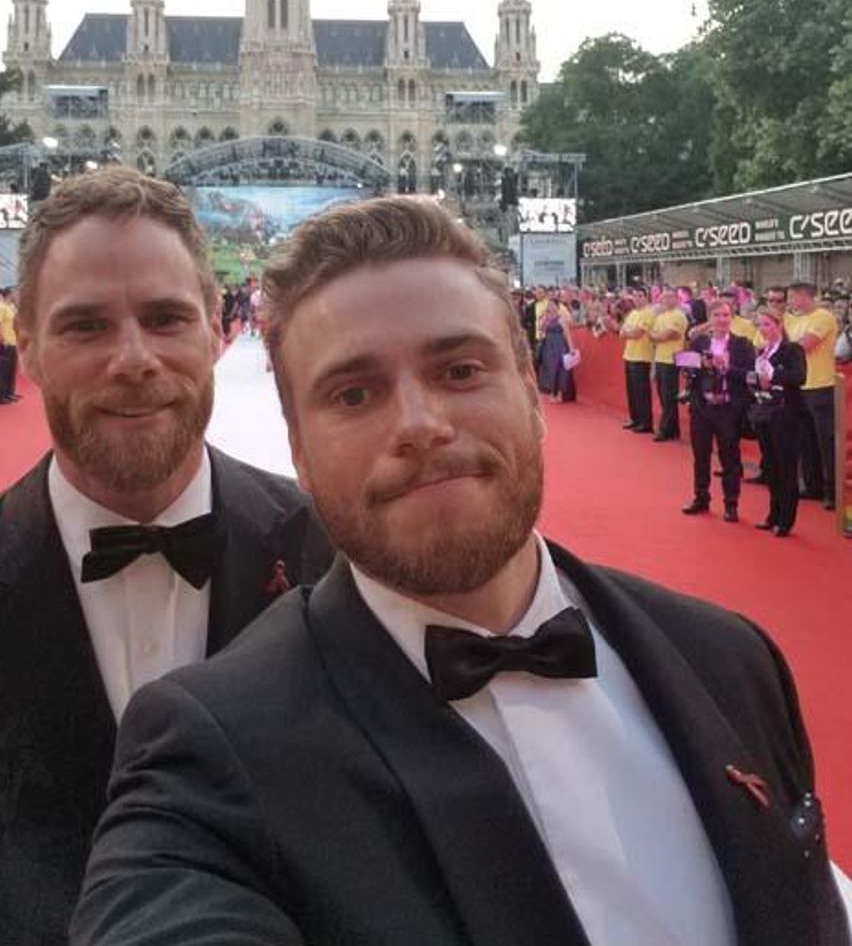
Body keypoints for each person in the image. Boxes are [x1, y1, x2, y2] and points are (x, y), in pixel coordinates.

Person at [73, 197, 847, 946]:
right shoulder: (205, 754)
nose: (420, 424)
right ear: (298, 450)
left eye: (461, 370)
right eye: (354, 392)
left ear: (532, 393)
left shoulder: (730, 658)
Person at [0, 167, 331, 946]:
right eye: (86, 325)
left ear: (217, 326)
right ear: (31, 342)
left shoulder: (335, 553)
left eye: (165, 318)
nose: (133, 358)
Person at [681, 298, 755, 521]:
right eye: (717, 316)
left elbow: (749, 376)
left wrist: (727, 367)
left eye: (726, 316)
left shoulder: (742, 344)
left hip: (728, 408)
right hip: (702, 407)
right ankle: (701, 497)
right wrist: (698, 365)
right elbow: (684, 366)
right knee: (700, 455)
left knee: (730, 458)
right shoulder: (699, 343)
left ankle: (731, 504)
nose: (722, 320)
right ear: (710, 319)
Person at [749, 306, 806, 537]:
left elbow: (800, 377)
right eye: (760, 325)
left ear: (779, 325)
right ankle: (773, 513)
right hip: (765, 412)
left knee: (786, 467)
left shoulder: (792, 349)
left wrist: (774, 375)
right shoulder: (763, 351)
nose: (764, 329)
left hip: (787, 415)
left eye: (768, 325)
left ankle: (786, 519)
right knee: (771, 466)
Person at [787, 282, 839, 510]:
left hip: (821, 386)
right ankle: (812, 484)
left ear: (804, 296)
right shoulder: (794, 320)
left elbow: (804, 345)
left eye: (792, 297)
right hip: (800, 386)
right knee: (805, 440)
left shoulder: (823, 317)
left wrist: (783, 349)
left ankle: (832, 491)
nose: (790, 301)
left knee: (826, 441)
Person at [648, 287, 687, 441]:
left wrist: (658, 336)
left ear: (676, 299)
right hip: (660, 358)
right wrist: (658, 336)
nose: (666, 300)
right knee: (662, 394)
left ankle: (665, 429)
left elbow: (669, 335)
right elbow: (652, 335)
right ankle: (673, 428)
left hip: (672, 359)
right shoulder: (661, 317)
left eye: (670, 297)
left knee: (669, 395)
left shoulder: (679, 315)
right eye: (664, 297)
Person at [618, 286, 654, 433]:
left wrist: (628, 332)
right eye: (635, 296)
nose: (638, 299)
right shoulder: (632, 313)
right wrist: (628, 332)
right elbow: (622, 332)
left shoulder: (648, 313)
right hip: (629, 354)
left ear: (646, 297)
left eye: (641, 296)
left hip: (642, 356)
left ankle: (645, 422)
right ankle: (635, 418)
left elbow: (637, 333)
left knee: (642, 392)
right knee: (632, 391)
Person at [535, 293, 576, 402]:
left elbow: (567, 334)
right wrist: (544, 317)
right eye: (549, 304)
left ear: (557, 306)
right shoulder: (547, 318)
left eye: (552, 304)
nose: (550, 306)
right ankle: (552, 392)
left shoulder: (561, 318)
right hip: (548, 345)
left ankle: (559, 394)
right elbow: (540, 329)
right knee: (549, 369)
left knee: (560, 370)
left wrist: (571, 348)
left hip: (559, 346)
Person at [0, 285, 21, 404]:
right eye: (14, 293)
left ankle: (9, 393)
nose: (16, 296)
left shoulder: (12, 307)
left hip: (13, 341)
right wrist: (2, 339)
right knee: (2, 369)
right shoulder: (0, 307)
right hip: (4, 342)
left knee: (11, 368)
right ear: (9, 294)